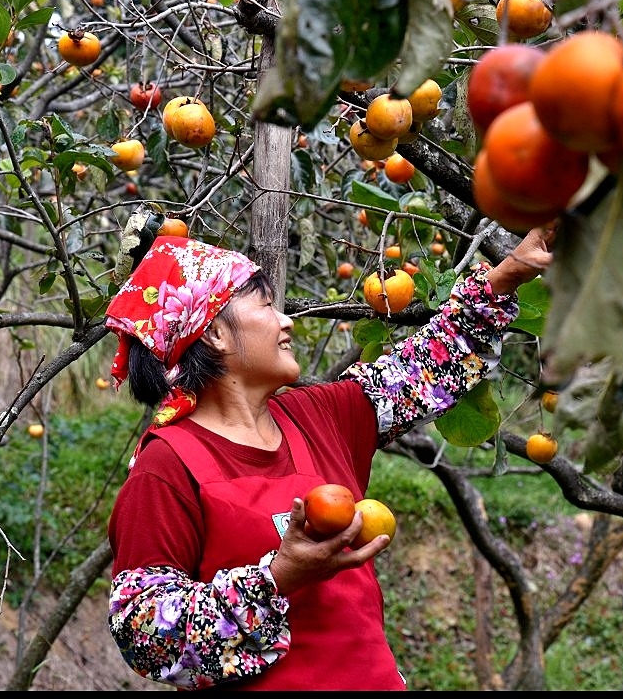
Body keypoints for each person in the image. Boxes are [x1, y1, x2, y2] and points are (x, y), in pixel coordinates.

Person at [103, 226, 554, 691]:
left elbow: (423, 368)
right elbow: (145, 635)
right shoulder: (167, 466)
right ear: (215, 332)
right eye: (264, 306)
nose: (286, 321)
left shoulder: (317, 416)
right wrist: (278, 578)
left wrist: (506, 278)